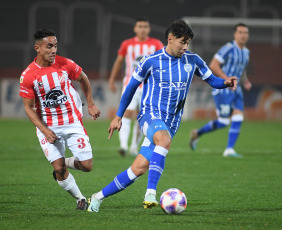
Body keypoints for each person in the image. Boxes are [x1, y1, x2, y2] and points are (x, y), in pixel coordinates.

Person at [87, 19, 237, 212]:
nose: (185, 47)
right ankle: (150, 193)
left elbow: (212, 80)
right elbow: (131, 87)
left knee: (138, 169)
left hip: (172, 122)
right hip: (150, 115)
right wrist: (118, 116)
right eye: (182, 42)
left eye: (187, 43)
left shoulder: (193, 60)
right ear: (170, 38)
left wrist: (225, 82)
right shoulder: (151, 61)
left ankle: (97, 197)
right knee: (164, 141)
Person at [19, 29, 101, 210]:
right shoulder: (28, 76)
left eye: (55, 46)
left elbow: (83, 78)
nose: (54, 50)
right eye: (49, 46)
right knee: (58, 169)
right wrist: (45, 130)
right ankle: (80, 199)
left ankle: (66, 162)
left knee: (87, 166)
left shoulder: (65, 64)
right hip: (48, 125)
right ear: (37, 48)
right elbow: (29, 108)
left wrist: (90, 104)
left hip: (72, 121)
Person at [189, 23, 252, 158]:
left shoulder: (246, 52)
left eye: (245, 32)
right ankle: (197, 133)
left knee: (238, 117)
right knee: (224, 122)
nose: (243, 35)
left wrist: (245, 80)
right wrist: (226, 80)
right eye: (240, 32)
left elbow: (242, 69)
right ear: (235, 34)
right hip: (224, 89)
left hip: (237, 89)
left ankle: (229, 149)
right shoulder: (228, 48)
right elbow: (213, 65)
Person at [108, 18, 164, 157]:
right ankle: (123, 146)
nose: (143, 29)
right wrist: (112, 79)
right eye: (140, 26)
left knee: (142, 116)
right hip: (130, 84)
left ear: (149, 29)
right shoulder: (127, 44)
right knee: (126, 113)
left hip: (148, 86)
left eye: (145, 26)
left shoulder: (156, 44)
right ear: (135, 29)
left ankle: (134, 146)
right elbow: (119, 62)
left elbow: (162, 63)